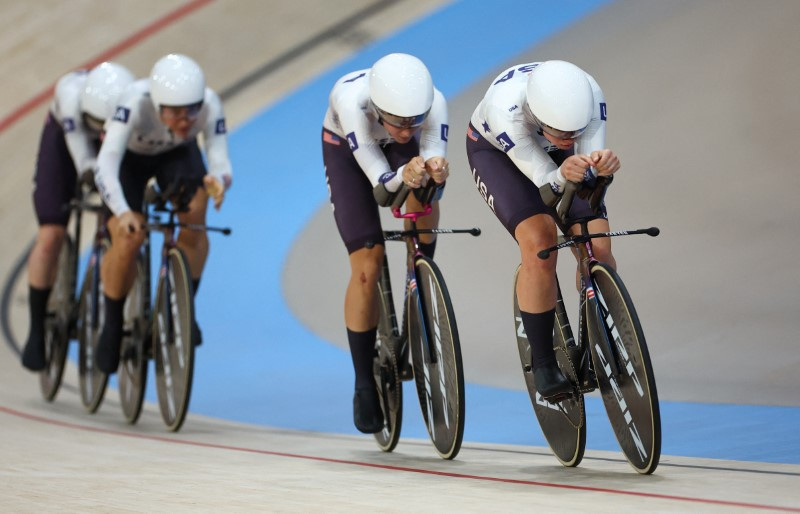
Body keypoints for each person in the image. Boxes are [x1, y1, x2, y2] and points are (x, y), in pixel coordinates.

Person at [465, 60, 621, 400]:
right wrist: (564, 170)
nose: (570, 139)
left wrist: (601, 171)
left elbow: (589, 172)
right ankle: (543, 362)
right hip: (500, 156)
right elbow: (546, 184)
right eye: (562, 132)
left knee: (598, 243)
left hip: (555, 157)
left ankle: (600, 335)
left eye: (575, 132)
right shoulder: (504, 109)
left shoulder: (590, 95)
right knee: (540, 242)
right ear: (537, 113)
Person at [322, 53, 450, 433]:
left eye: (415, 121)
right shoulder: (351, 104)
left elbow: (433, 164)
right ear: (378, 108)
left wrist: (434, 171)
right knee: (367, 263)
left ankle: (420, 270)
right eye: (399, 121)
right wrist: (403, 175)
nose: (408, 130)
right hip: (348, 154)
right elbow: (381, 187)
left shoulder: (435, 104)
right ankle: (363, 382)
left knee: (425, 187)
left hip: (393, 155)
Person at [93, 53, 233, 374]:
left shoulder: (210, 103)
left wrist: (219, 181)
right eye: (175, 113)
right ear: (158, 107)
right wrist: (123, 211)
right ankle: (112, 323)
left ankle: (182, 308)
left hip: (176, 156)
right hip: (130, 161)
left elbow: (220, 159)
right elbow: (107, 162)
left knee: (196, 216)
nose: (186, 121)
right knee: (129, 236)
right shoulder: (134, 102)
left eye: (191, 112)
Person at [22, 62, 135, 371]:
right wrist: (90, 171)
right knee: (51, 234)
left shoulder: (130, 104)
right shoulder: (70, 97)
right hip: (64, 140)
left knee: (123, 229)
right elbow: (83, 155)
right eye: (96, 122)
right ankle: (36, 327)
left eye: (105, 124)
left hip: (117, 142)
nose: (100, 129)